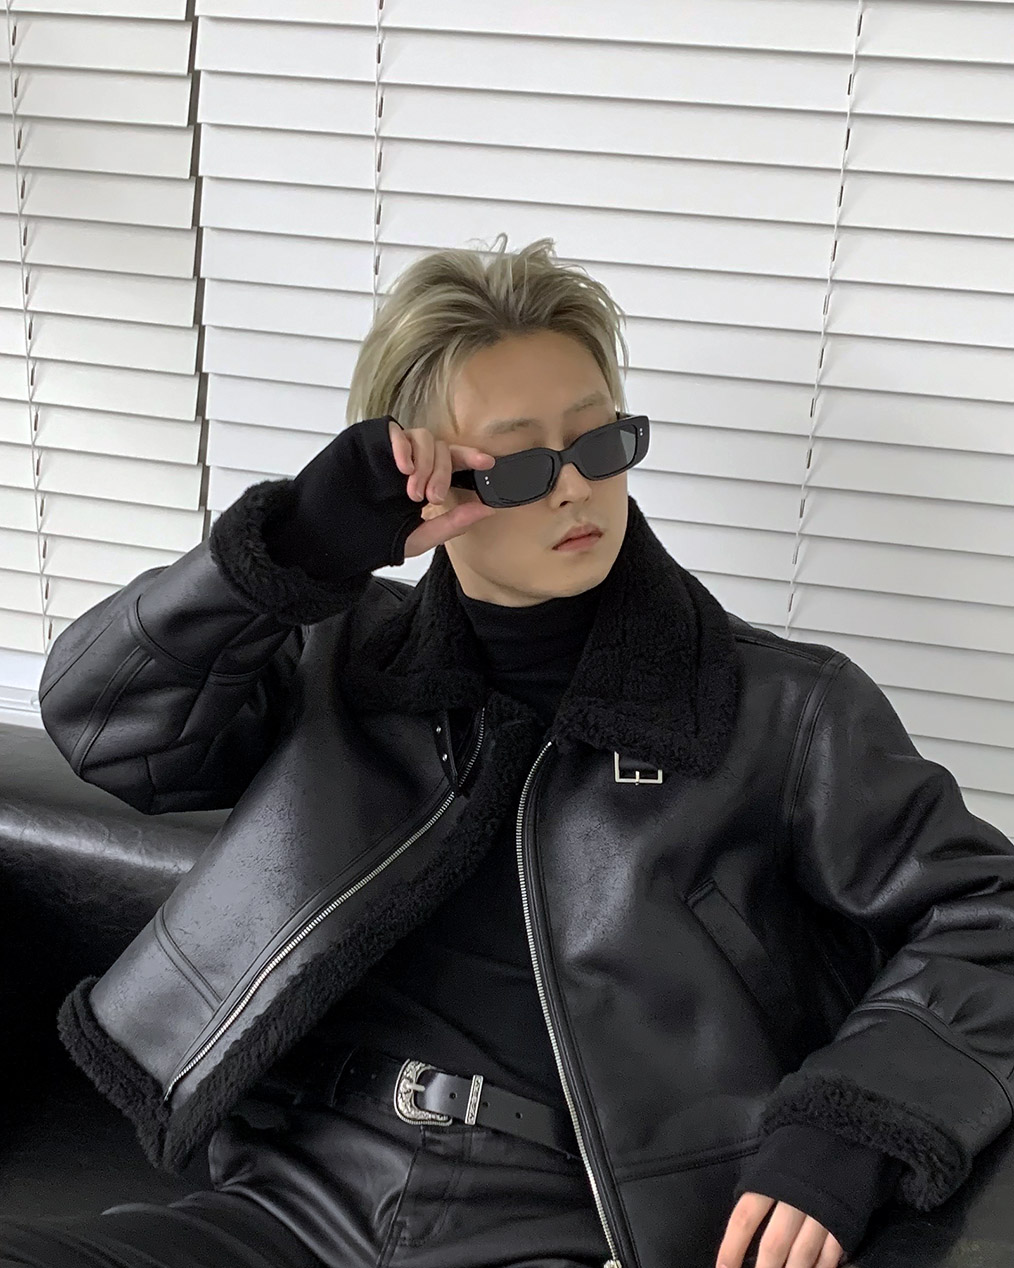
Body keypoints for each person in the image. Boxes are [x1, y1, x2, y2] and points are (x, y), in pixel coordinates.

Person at [7, 235, 1014, 1268]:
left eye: (599, 443)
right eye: (524, 465)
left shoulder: (782, 711)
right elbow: (104, 726)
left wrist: (847, 1127)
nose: (576, 490)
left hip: (571, 1222)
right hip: (294, 1201)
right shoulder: (337, 658)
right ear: (423, 485)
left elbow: (989, 916)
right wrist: (295, 549)